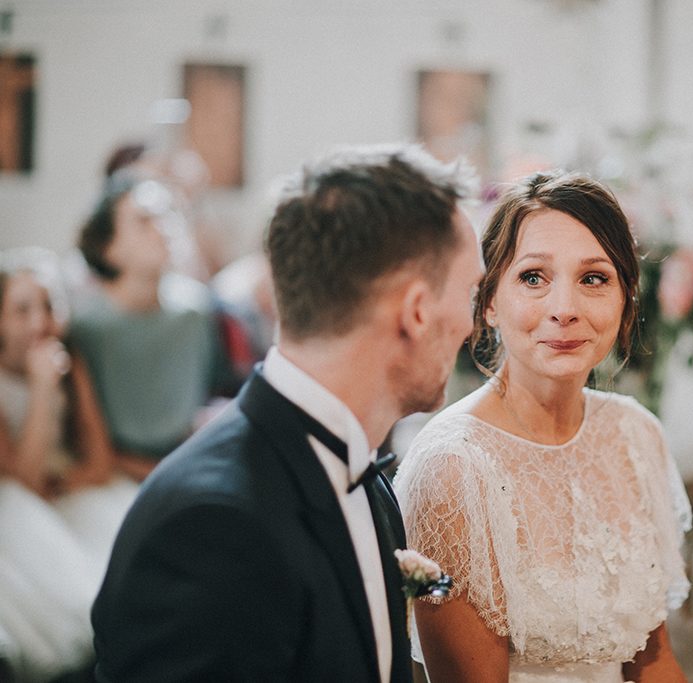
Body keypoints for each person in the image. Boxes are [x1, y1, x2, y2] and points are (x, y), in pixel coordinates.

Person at [91, 144, 483, 682]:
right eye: (470, 291)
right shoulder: (212, 529)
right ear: (416, 311)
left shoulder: (365, 475)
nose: (473, 324)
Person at [394, 171, 693, 683]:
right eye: (533, 277)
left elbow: (654, 660)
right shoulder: (454, 469)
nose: (565, 310)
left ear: (625, 301)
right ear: (488, 301)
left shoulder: (635, 436)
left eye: (593, 279)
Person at [0, 248, 137, 682]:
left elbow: (98, 461)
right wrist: (42, 390)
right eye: (21, 310)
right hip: (18, 499)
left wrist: (66, 482)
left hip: (68, 487)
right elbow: (20, 480)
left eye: (48, 306)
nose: (39, 322)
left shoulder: (71, 362)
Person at [70, 172, 235, 481]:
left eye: (168, 215)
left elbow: (206, 400)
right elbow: (87, 442)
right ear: (109, 247)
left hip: (187, 464)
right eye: (144, 220)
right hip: (113, 475)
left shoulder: (196, 310)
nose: (164, 229)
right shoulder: (86, 328)